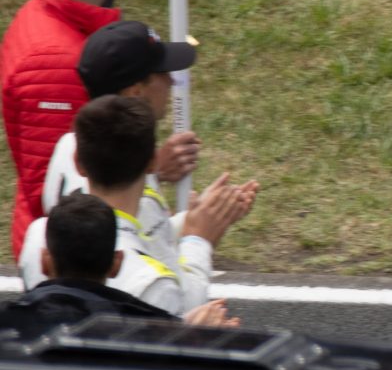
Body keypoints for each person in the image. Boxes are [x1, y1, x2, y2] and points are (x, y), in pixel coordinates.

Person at [16, 97, 250, 316]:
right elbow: (186, 316)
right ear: (153, 163)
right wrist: (198, 241)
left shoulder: (39, 237)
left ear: (78, 163)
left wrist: (191, 221)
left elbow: (139, 234)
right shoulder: (152, 285)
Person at [3, 0, 130, 254]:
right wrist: (148, 168)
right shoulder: (55, 63)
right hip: (73, 267)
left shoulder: (60, 18)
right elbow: (58, 190)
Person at [40, 21, 214, 263]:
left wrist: (198, 216)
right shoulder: (128, 183)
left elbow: (143, 237)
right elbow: (172, 292)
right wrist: (199, 236)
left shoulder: (68, 146)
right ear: (135, 92)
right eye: (162, 73)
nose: (172, 82)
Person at [2, 193, 235, 338]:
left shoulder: (9, 323)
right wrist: (191, 334)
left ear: (44, 261)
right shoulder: (148, 333)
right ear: (116, 264)